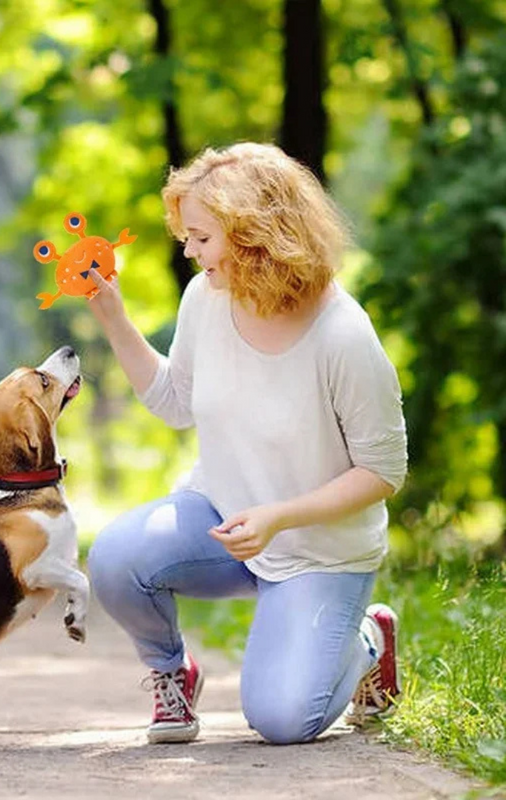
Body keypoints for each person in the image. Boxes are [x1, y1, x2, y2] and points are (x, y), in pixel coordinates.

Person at [85, 141, 408, 746]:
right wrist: (111, 315)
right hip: (223, 517)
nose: (188, 250)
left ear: (255, 233)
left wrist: (280, 516)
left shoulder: (343, 335)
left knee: (283, 721)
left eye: (201, 237)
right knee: (116, 559)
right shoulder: (206, 299)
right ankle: (171, 674)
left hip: (319, 550)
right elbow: (176, 402)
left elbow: (384, 471)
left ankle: (367, 638)